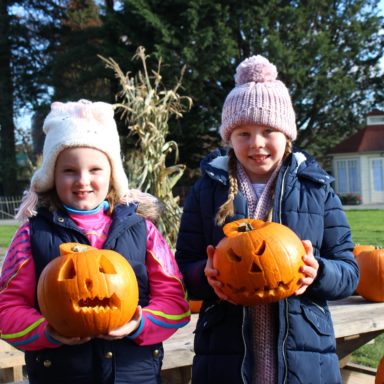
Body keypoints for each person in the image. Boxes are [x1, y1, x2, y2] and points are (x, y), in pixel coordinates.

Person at [175, 55, 359, 384]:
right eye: (243, 133)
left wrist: (319, 273)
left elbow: (348, 271)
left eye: (268, 130)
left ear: (286, 135)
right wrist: (204, 276)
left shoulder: (316, 189)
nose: (256, 143)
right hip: (224, 356)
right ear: (229, 137)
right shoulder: (206, 192)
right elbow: (184, 265)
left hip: (306, 358)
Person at [0, 99, 190, 384]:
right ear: (52, 175)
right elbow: (8, 307)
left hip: (134, 375)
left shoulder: (142, 230)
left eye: (95, 170)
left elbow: (175, 300)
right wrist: (47, 331)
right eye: (69, 170)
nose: (82, 180)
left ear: (112, 174)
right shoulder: (32, 235)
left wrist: (140, 324)